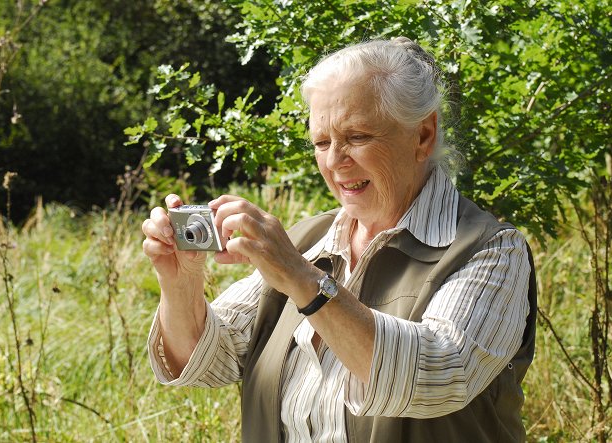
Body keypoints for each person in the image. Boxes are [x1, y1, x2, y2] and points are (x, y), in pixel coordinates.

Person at [141, 37, 536, 442]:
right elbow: (208, 360)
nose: (334, 161)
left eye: (357, 136)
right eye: (321, 142)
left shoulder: (490, 249)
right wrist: (180, 282)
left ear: (423, 135)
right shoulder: (308, 240)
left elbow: (437, 375)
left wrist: (302, 280)